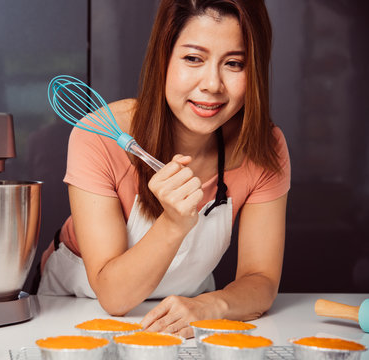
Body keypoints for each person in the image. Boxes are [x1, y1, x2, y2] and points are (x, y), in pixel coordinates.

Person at [37, 0, 290, 339]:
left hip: (183, 315)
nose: (212, 84)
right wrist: (173, 222)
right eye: (193, 59)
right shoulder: (97, 135)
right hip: (77, 309)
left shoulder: (264, 146)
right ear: (163, 58)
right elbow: (113, 297)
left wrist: (208, 307)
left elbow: (260, 280)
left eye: (234, 63)